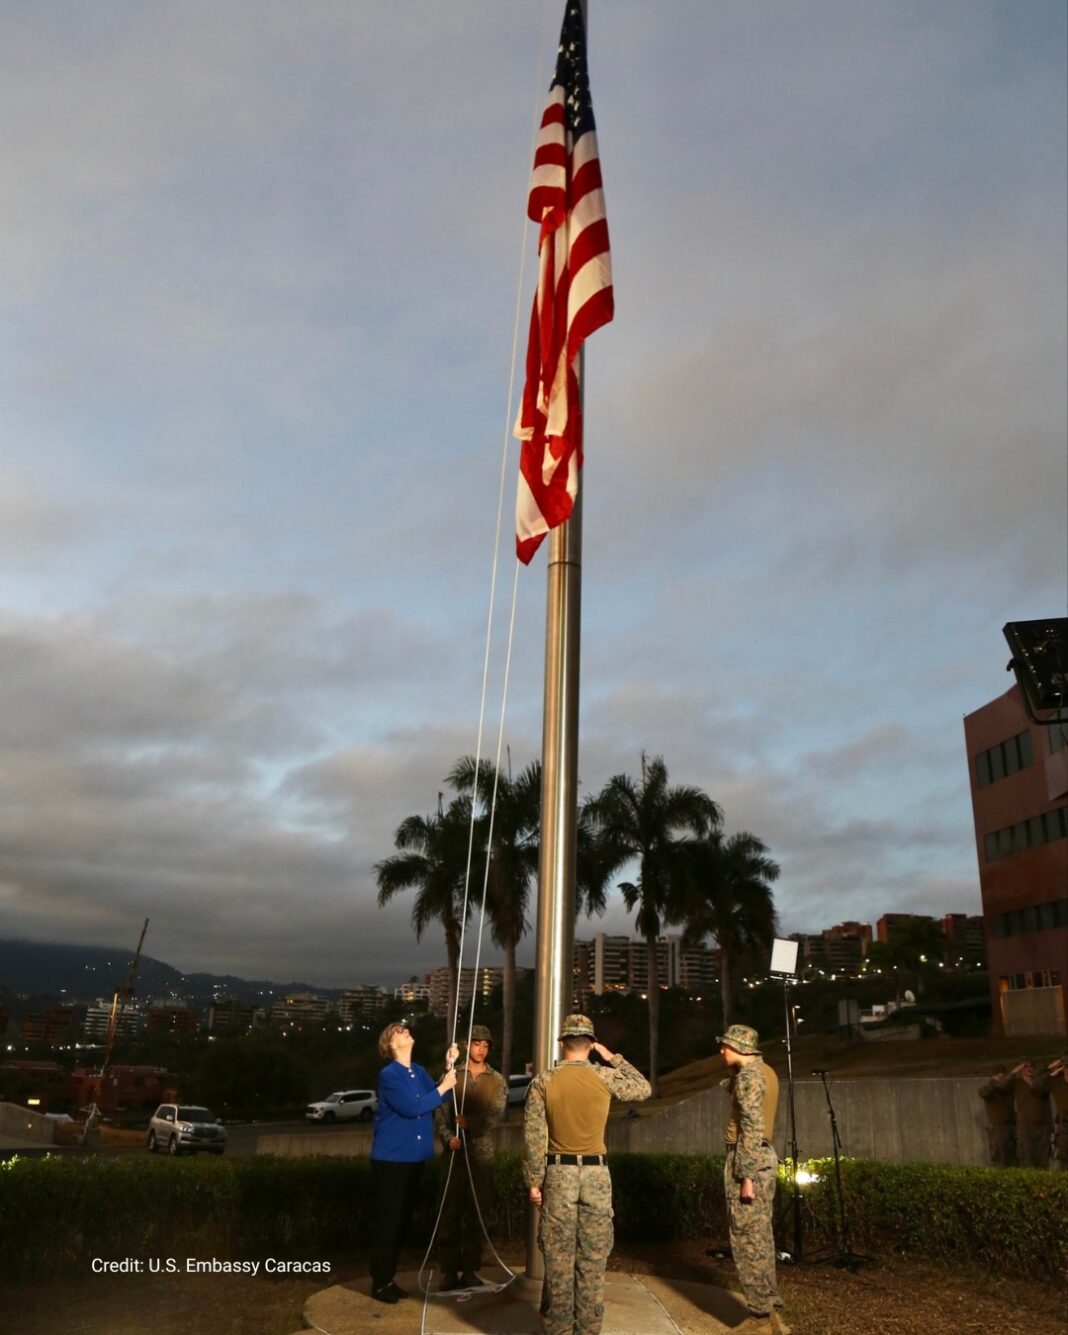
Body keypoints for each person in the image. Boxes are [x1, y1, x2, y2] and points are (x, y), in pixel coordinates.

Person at [523, 1013, 650, 1335]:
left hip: (559, 1173)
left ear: (561, 1042)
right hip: (596, 1176)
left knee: (559, 1261)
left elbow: (534, 1138)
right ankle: (589, 1330)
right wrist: (612, 1057)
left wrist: (534, 1181)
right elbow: (643, 1088)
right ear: (591, 1044)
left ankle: (559, 1330)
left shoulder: (543, 1081)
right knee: (593, 1260)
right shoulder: (604, 1077)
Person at [368, 1021, 458, 1305]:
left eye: (405, 1028)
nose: (405, 1030)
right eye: (398, 1030)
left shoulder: (417, 1071)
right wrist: (443, 1085)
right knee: (388, 1222)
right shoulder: (389, 1075)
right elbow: (413, 1107)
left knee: (401, 1222)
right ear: (391, 1044)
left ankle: (389, 1279)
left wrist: (448, 1067)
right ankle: (380, 1282)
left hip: (413, 1158)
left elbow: (438, 1097)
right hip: (391, 1159)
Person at [718, 1024, 788, 1335]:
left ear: (741, 1049)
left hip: (749, 1159)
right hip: (764, 1158)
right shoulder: (765, 1072)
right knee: (761, 1238)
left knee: (746, 1240)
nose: (721, 1051)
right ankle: (771, 1315)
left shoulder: (748, 1078)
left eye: (726, 1047)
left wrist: (745, 1176)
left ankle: (759, 1319)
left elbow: (751, 1125)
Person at [434, 1023, 507, 1290]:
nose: (481, 1049)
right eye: (477, 1043)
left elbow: (496, 1115)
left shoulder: (496, 1080)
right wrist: (447, 1137)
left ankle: (470, 1269)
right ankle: (449, 1270)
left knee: (477, 1212)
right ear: (468, 1045)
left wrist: (471, 1124)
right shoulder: (452, 1075)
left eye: (486, 1045)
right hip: (454, 1153)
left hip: (480, 1154)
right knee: (450, 1211)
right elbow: (440, 1111)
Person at [1006, 1057, 1052, 1169]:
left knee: (1043, 1159)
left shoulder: (1040, 1082)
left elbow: (1046, 1102)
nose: (1029, 1069)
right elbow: (1001, 1085)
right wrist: (1014, 1071)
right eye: (1026, 1066)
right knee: (1027, 1158)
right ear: (1021, 1069)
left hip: (1041, 1127)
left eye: (1031, 1066)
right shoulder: (1016, 1083)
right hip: (1025, 1127)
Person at [977, 1064, 1016, 1166]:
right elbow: (983, 1092)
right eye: (1000, 1077)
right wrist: (994, 1082)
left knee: (1012, 1156)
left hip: (1010, 1126)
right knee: (999, 1156)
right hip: (997, 1127)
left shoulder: (1008, 1089)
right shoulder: (989, 1089)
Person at [1047, 1054, 1068, 1172]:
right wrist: (1052, 1067)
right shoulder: (1056, 1083)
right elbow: (1039, 1082)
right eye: (1067, 1067)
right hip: (1064, 1129)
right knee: (1064, 1161)